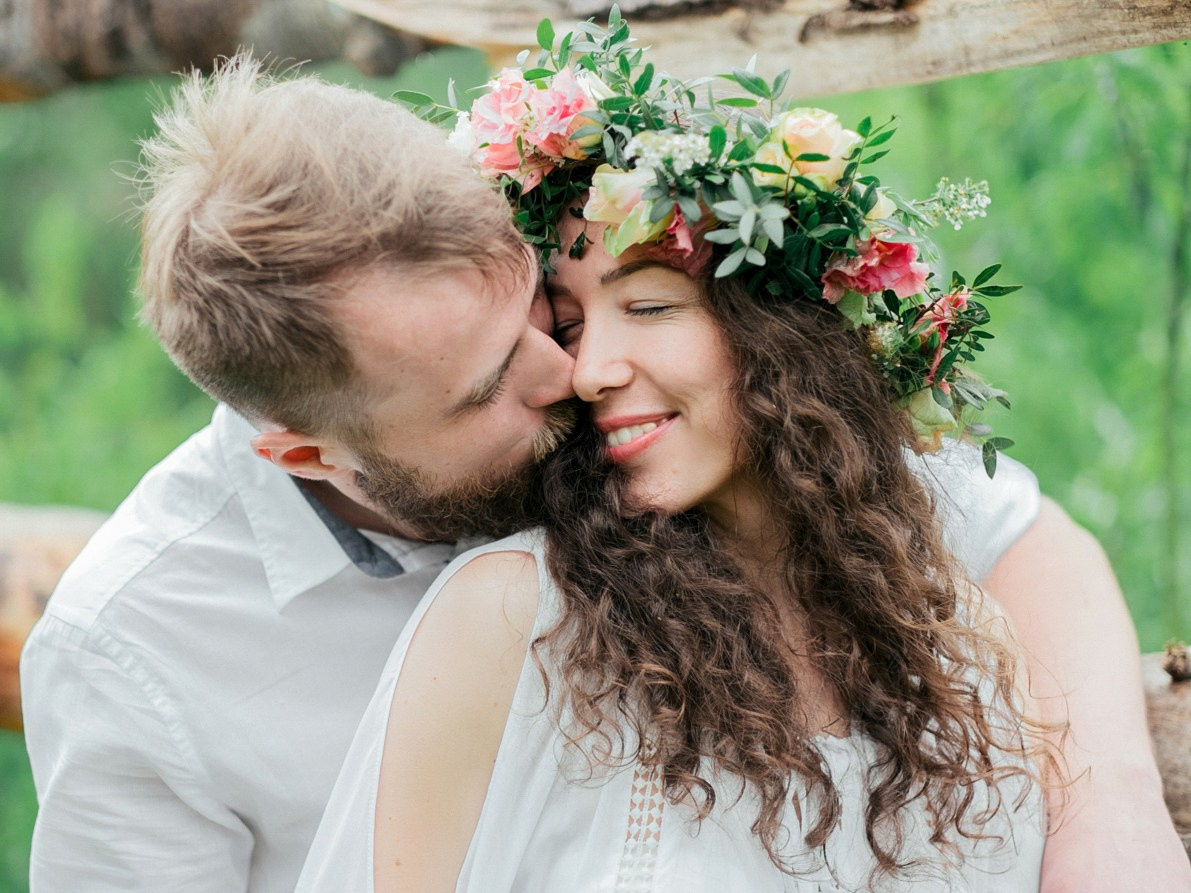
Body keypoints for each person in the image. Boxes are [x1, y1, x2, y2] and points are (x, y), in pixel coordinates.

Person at [20, 49, 1186, 892]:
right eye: (484, 387)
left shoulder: (649, 430)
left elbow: (1015, 535)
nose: (567, 374)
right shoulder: (140, 648)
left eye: (542, 308)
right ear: (305, 452)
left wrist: (1114, 813)